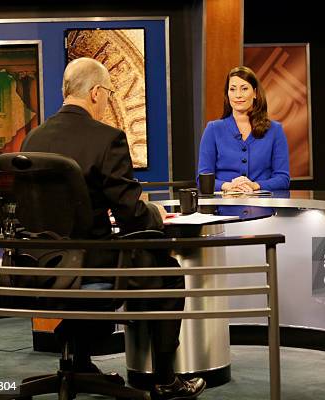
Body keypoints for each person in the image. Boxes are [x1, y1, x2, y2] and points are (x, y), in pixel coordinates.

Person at [21, 57, 205, 399]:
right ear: (94, 93)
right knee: (166, 272)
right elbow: (131, 214)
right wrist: (156, 213)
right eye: (106, 92)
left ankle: (77, 359)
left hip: (37, 268)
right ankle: (166, 381)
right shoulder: (107, 139)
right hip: (90, 266)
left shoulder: (33, 139)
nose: (106, 100)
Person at [197, 66, 290, 193]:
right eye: (232, 89)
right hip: (223, 209)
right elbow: (202, 180)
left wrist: (255, 185)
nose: (238, 95)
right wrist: (228, 186)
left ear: (255, 93)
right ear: (227, 94)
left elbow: (283, 179)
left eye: (244, 89)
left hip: (263, 208)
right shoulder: (213, 129)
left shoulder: (275, 130)